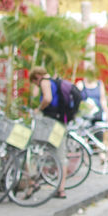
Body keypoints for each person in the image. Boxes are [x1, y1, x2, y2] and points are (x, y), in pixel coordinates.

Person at [28, 66, 70, 198]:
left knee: (32, 149)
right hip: (61, 121)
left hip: (50, 122)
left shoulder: (45, 82)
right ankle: (61, 189)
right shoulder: (55, 81)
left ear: (37, 77)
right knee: (61, 155)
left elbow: (47, 98)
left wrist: (39, 109)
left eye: (35, 82)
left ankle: (32, 181)